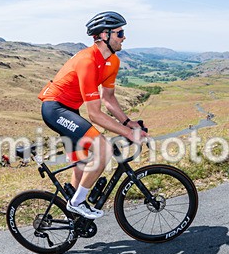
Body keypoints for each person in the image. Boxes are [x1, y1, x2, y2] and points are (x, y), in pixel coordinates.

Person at [38, 11, 147, 219]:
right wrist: (128, 133)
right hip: (54, 109)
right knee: (103, 148)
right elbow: (95, 115)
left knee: (82, 162)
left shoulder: (112, 62)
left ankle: (73, 220)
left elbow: (108, 98)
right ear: (104, 35)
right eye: (120, 33)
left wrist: (127, 122)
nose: (124, 37)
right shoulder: (87, 60)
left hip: (70, 109)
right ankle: (77, 203)